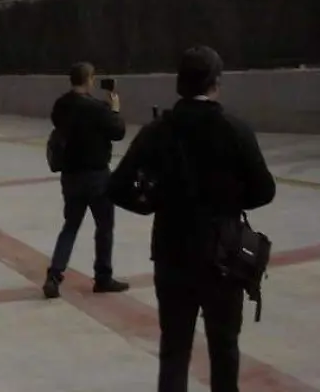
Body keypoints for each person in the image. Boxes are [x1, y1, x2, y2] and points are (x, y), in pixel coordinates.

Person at [110, 47, 276, 392]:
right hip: (223, 254)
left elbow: (117, 186)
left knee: (174, 348)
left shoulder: (158, 130)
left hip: (172, 251)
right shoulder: (235, 129)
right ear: (216, 82)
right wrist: (228, 202)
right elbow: (264, 191)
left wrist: (151, 203)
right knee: (224, 346)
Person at [43, 62, 130, 298]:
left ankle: (54, 275)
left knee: (70, 226)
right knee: (104, 226)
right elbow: (118, 132)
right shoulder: (98, 108)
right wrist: (114, 109)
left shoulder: (61, 106)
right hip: (97, 175)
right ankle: (103, 277)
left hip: (70, 176)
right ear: (89, 79)